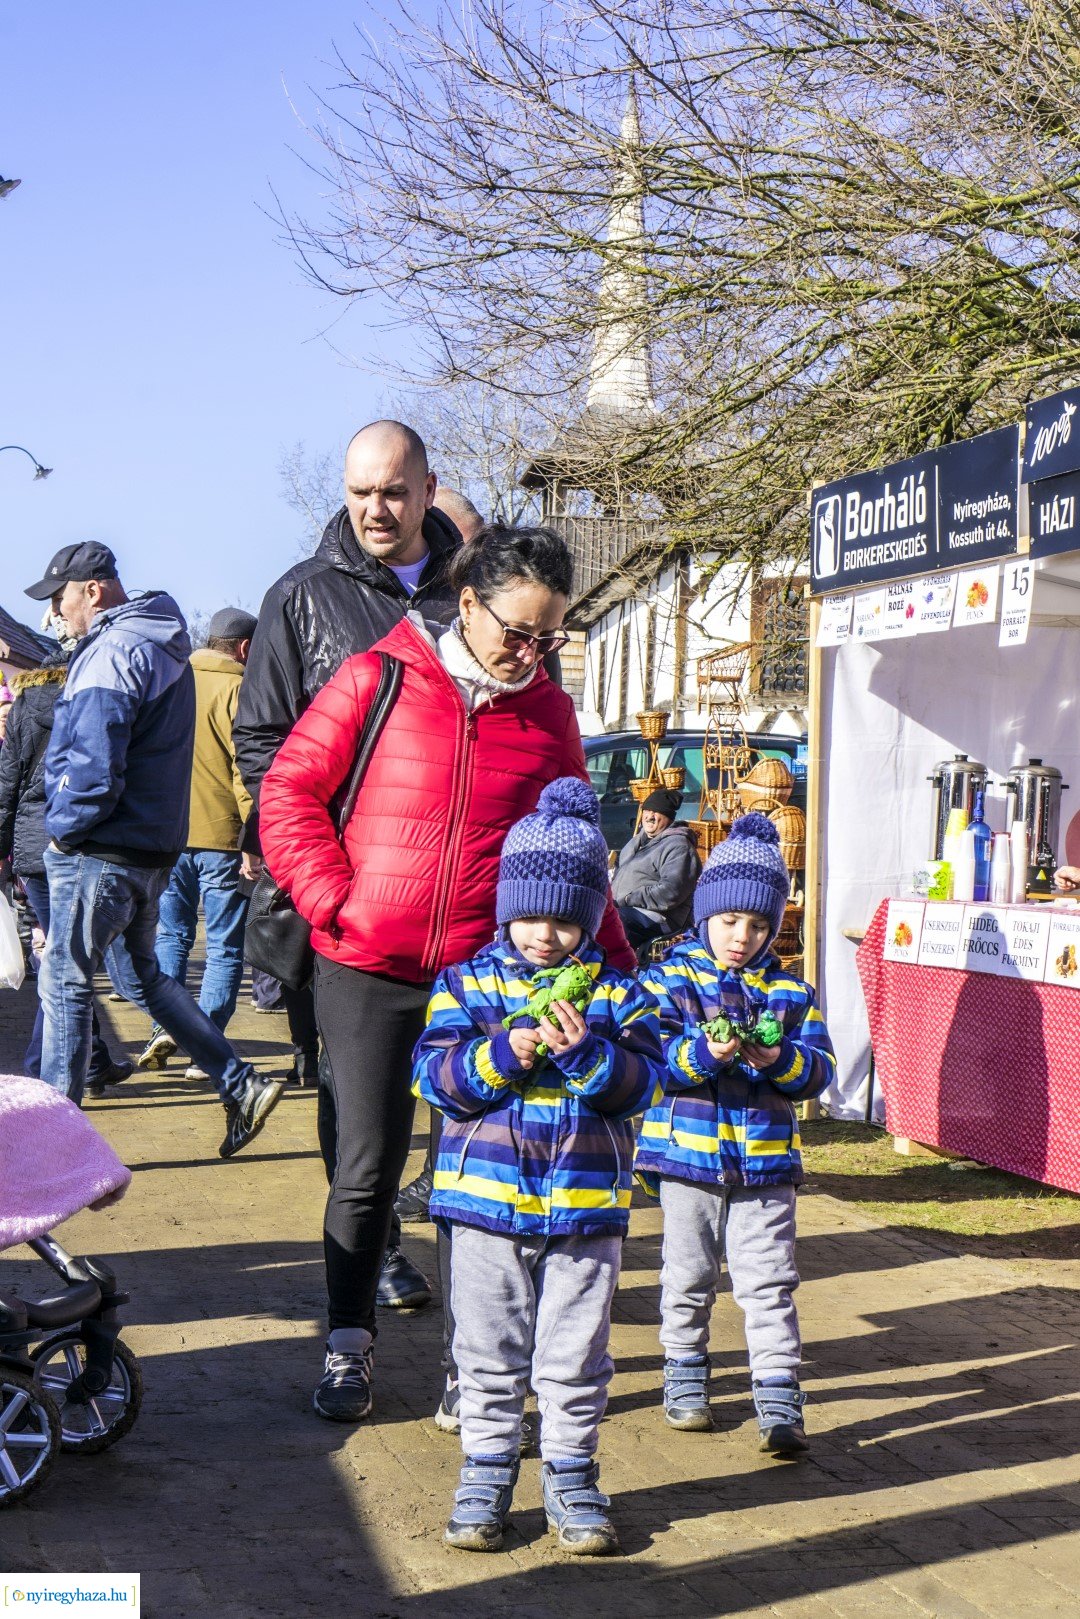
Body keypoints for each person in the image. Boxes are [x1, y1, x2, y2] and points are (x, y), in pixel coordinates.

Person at [258, 522, 636, 1425]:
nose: (531, 657)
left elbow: (577, 853)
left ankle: (476, 1365)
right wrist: (333, 901)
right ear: (467, 603)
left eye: (550, 639)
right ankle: (349, 1345)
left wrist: (624, 969)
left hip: (487, 973)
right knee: (367, 1163)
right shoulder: (375, 675)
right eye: (517, 634)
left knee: (469, 1174)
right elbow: (288, 791)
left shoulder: (547, 710)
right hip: (366, 964)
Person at [233, 420, 465, 1311]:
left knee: (464, 1086)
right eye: (361, 490)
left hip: (456, 899)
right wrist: (315, 869)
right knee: (353, 1098)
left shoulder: (470, 591)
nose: (376, 507)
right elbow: (261, 737)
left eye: (395, 491)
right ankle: (378, 1254)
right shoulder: (301, 596)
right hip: (347, 902)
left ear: (426, 490)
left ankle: (470, 1253)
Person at [413, 778, 661, 1555]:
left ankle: (572, 1472)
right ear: (505, 908)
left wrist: (586, 1054)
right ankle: (486, 1470)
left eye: (564, 919)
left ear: (591, 916)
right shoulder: (466, 983)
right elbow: (432, 1077)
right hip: (483, 1206)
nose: (545, 937)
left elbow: (645, 1086)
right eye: (530, 916)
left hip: (585, 1208)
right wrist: (500, 1053)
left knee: (575, 1352)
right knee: (486, 1352)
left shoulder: (622, 996)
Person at [24, 542, 283, 1156]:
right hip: (147, 849)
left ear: (91, 588)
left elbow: (92, 759)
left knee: (64, 980)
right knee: (144, 976)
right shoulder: (160, 642)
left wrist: (63, 828)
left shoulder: (114, 648)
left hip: (102, 848)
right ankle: (239, 1082)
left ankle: (55, 1143)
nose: (57, 614)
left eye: (59, 599)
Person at [637, 813, 836, 1453]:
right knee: (687, 1276)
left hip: (766, 1166)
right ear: (703, 916)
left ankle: (779, 1398)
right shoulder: (669, 982)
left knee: (769, 1281)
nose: (741, 936)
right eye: (728, 920)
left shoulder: (792, 994)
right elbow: (653, 1062)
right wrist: (704, 1055)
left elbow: (819, 1072)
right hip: (686, 1160)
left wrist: (780, 1062)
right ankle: (685, 1376)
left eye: (757, 924)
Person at [130, 609, 263, 1077]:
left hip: (165, 834)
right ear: (244, 648)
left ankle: (163, 1026)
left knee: (169, 936)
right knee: (225, 946)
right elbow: (245, 768)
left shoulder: (167, 683)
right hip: (223, 836)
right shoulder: (239, 689)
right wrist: (255, 835)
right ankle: (207, 1047)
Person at [0, 650, 131, 1094]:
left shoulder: (24, 707)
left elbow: (7, 782)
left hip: (34, 849)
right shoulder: (94, 702)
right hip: (80, 843)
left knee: (66, 956)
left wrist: (3, 852)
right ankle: (40, 1067)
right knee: (68, 963)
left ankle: (91, 1060)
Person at [611, 786, 702, 954]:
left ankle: (620, 969)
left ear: (668, 817)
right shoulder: (636, 841)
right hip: (624, 908)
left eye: (656, 812)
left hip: (661, 919)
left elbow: (671, 892)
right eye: (647, 810)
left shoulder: (678, 846)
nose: (649, 816)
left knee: (615, 922)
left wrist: (630, 898)